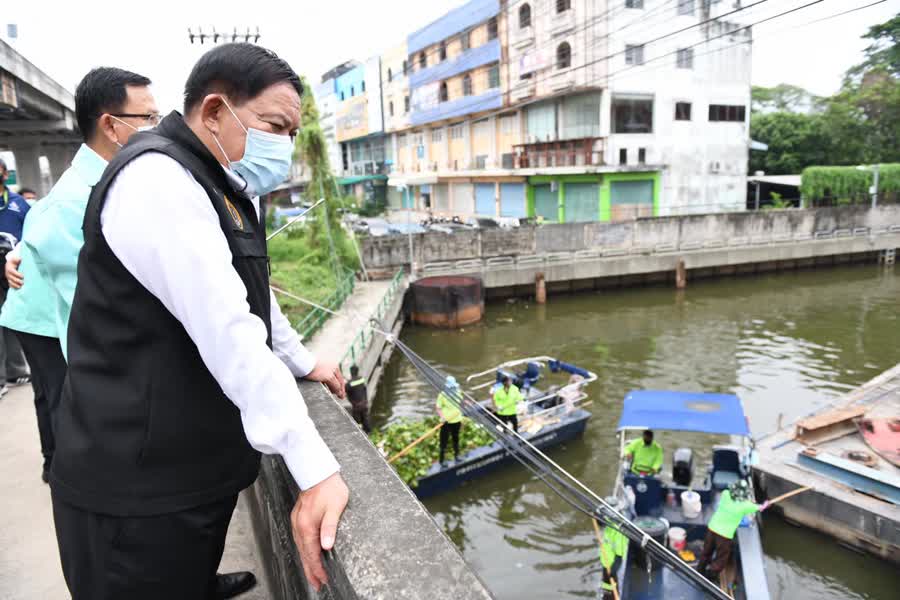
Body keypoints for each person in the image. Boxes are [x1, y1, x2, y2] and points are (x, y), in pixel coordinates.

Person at [49, 44, 348, 599]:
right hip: (135, 488)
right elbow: (228, 328)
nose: (283, 146)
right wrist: (315, 467)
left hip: (186, 472)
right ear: (214, 111)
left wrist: (302, 361)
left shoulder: (222, 184)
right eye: (273, 126)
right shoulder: (158, 180)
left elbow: (253, 295)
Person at [0, 68, 156, 486]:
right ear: (110, 124)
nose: (156, 130)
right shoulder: (77, 198)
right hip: (40, 314)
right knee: (59, 397)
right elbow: (94, 310)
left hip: (49, 302)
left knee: (59, 396)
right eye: (148, 119)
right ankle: (64, 475)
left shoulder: (108, 181)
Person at [0, 157, 31, 395]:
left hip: (15, 268)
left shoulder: (18, 203)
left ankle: (16, 370)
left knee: (11, 319)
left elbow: (32, 231)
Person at [696, 480, 768, 579]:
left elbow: (730, 495)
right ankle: (710, 576)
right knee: (721, 558)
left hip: (712, 529)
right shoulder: (746, 506)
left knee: (706, 551)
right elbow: (759, 508)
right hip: (724, 536)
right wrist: (765, 505)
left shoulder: (725, 494)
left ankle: (700, 570)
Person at [599, 497, 628, 600]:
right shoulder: (610, 520)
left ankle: (611, 596)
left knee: (611, 583)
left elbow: (619, 555)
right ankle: (606, 594)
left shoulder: (619, 530)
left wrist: (614, 568)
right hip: (605, 559)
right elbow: (601, 522)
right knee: (605, 582)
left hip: (611, 563)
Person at [436, 375, 463, 465]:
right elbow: (438, 408)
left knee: (456, 439)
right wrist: (442, 417)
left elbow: (461, 403)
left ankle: (457, 456)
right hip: (446, 422)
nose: (452, 389)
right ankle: (442, 460)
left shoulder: (458, 392)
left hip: (457, 420)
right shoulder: (442, 395)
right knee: (444, 441)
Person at [345, 365, 371, 433]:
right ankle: (368, 432)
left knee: (357, 422)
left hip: (356, 407)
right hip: (364, 404)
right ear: (357, 371)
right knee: (365, 420)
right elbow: (364, 389)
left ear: (351, 372)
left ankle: (360, 433)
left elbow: (346, 391)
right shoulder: (361, 379)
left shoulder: (349, 383)